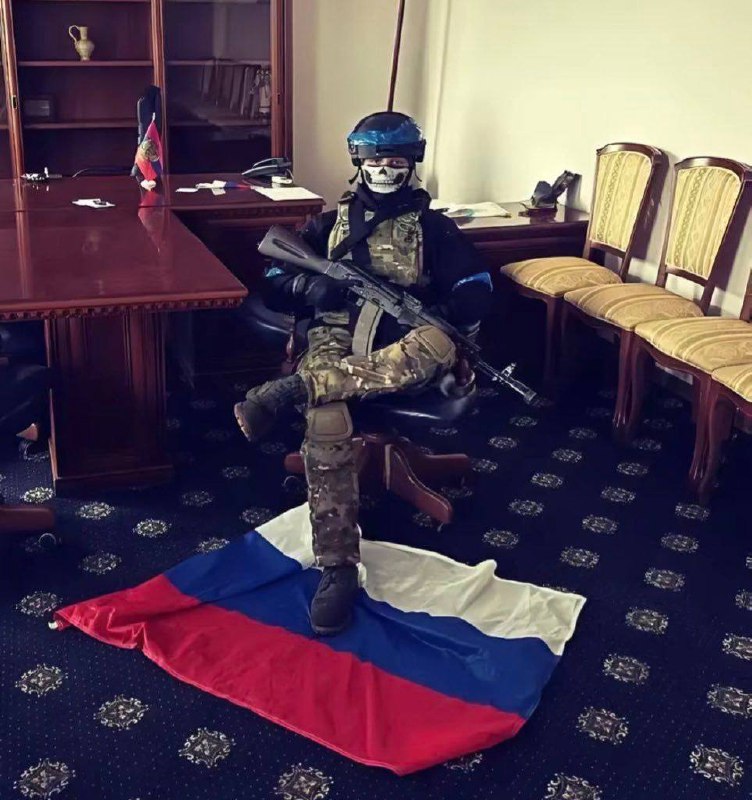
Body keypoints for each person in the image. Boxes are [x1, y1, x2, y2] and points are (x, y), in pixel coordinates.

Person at [234, 111, 492, 635]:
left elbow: (478, 288)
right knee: (327, 420)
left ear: (412, 162)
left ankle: (293, 389)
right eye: (375, 160)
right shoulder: (328, 224)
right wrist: (310, 288)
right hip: (334, 337)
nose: (384, 170)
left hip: (405, 346)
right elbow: (273, 275)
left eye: (395, 161)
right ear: (358, 161)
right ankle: (337, 568)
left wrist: (433, 307)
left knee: (440, 341)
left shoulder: (435, 229)